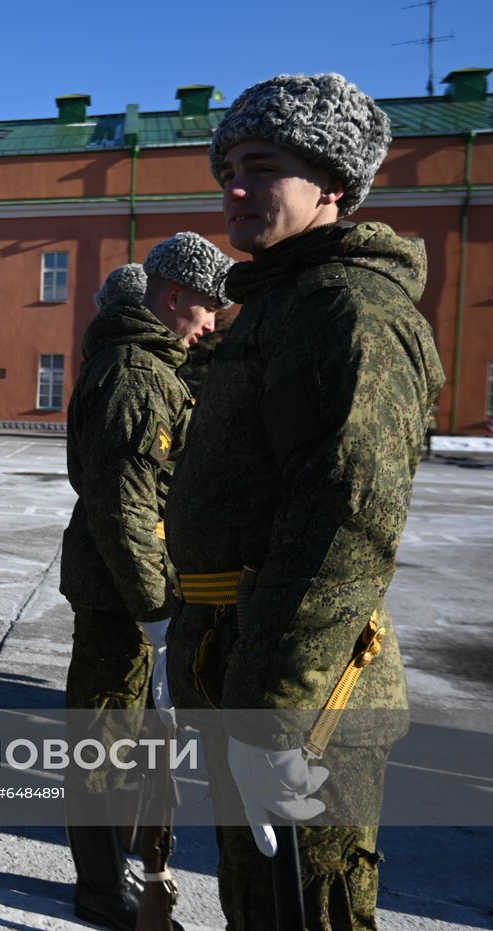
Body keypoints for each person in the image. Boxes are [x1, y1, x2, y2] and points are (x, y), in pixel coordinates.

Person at [165, 73, 445, 929]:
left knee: (308, 910)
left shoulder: (345, 311)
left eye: (261, 166)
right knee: (255, 901)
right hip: (242, 655)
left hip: (306, 690)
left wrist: (272, 713)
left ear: (333, 183)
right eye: (226, 173)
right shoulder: (278, 302)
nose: (236, 190)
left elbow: (344, 523)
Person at [58, 234, 232, 930]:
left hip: (138, 581)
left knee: (124, 733)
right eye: (206, 307)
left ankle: (115, 869)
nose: (212, 320)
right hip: (123, 589)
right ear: (172, 298)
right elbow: (126, 504)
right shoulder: (136, 374)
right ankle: (102, 888)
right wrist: (157, 610)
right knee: (102, 735)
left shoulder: (155, 364)